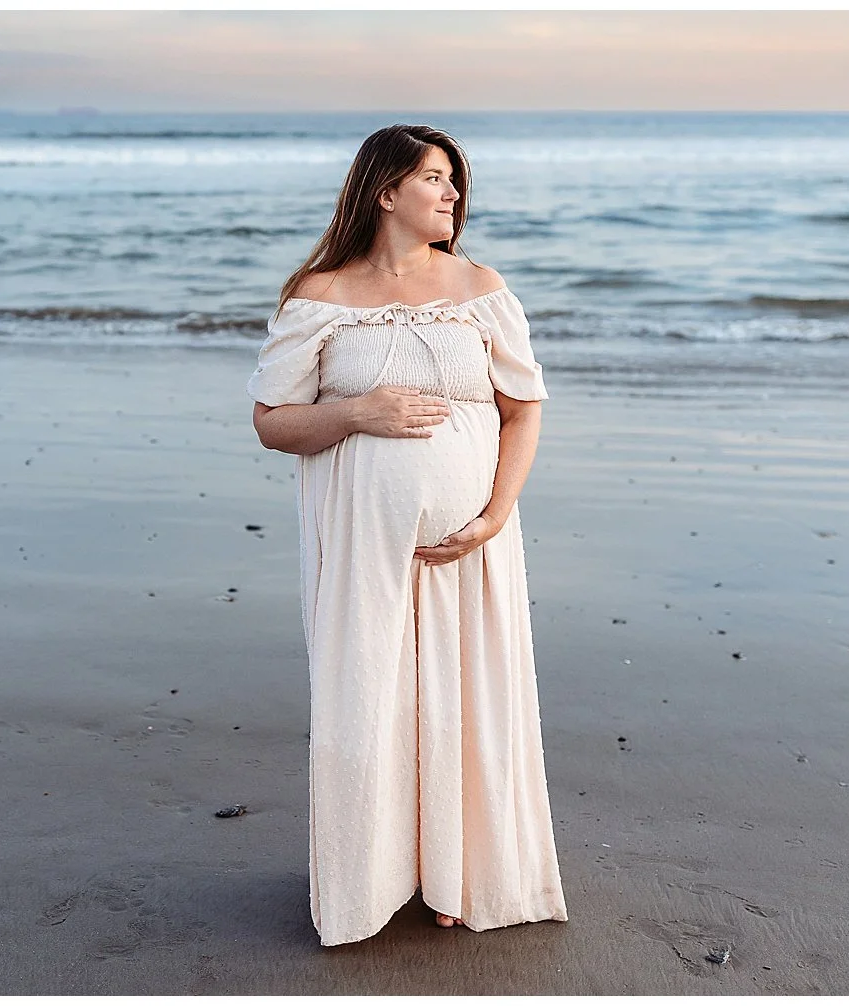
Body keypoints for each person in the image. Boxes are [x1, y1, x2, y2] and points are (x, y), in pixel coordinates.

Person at [246, 123, 568, 947]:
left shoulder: (480, 286)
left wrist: (495, 516)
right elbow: (273, 424)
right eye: (435, 178)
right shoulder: (318, 295)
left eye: (455, 179)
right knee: (368, 700)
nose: (454, 193)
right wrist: (359, 412)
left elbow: (523, 408)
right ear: (385, 191)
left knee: (467, 703)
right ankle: (370, 882)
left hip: (470, 546)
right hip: (361, 548)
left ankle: (462, 873)